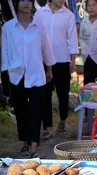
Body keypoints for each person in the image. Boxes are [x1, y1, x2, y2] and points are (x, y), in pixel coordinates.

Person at [1, 0, 55, 158]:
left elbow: (46, 48)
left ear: (32, 4)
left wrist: (49, 68)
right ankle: (24, 142)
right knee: (21, 111)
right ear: (17, 3)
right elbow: (5, 49)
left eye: (28, 0)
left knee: (36, 110)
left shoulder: (39, 26)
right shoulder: (8, 27)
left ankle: (34, 147)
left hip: (37, 73)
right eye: (22, 0)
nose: (25, 3)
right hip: (16, 75)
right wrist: (6, 70)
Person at [34, 0, 79, 137]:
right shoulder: (40, 13)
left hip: (62, 60)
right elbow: (34, 35)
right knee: (45, 94)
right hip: (43, 60)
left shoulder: (69, 15)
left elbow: (72, 39)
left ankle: (63, 120)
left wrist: (73, 60)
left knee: (63, 93)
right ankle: (47, 127)